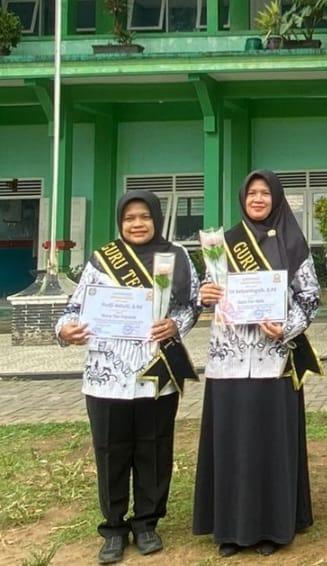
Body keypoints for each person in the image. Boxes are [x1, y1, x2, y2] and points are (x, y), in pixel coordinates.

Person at [56, 191, 199, 564]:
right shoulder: (103, 261)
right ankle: (114, 527)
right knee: (110, 450)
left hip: (156, 370)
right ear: (120, 223)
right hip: (106, 376)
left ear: (156, 219)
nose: (137, 224)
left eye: (144, 217)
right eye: (129, 218)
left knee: (154, 447)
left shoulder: (177, 257)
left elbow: (191, 305)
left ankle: (147, 522)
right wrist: (65, 331)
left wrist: (175, 324)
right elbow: (72, 309)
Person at [193, 170, 320, 557]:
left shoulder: (293, 242)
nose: (259, 199)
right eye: (252, 193)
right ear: (242, 198)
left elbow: (310, 298)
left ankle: (273, 528)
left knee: (270, 443)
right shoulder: (223, 242)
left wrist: (285, 328)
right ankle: (230, 529)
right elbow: (207, 290)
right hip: (229, 361)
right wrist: (206, 294)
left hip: (274, 360)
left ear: (277, 199)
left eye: (266, 193)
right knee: (232, 442)